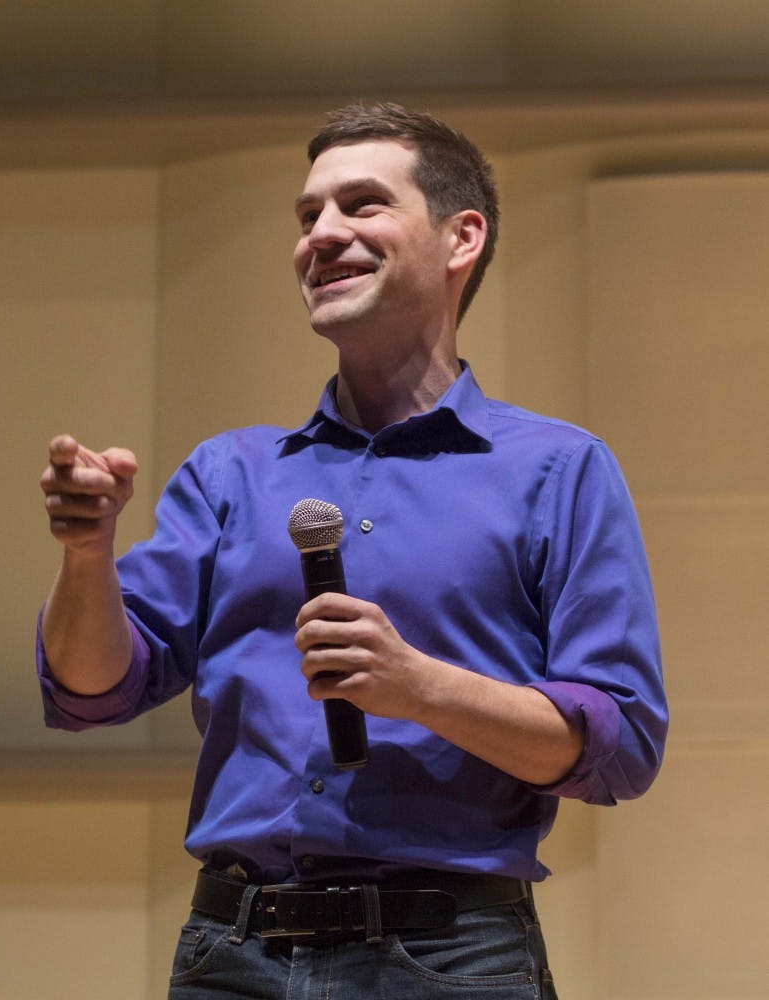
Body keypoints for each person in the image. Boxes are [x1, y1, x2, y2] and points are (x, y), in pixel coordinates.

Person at [37, 102, 668, 999]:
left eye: (361, 205)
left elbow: (620, 744)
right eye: (307, 216)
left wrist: (420, 687)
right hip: (230, 951)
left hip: (449, 959)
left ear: (461, 239)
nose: (321, 235)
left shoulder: (558, 470)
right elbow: (92, 688)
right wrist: (88, 551)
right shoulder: (229, 473)